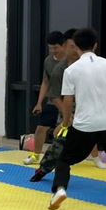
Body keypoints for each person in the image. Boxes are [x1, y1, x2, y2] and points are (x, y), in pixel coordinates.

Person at [48, 28, 106, 210]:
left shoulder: (71, 70)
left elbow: (67, 101)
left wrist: (65, 123)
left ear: (76, 47)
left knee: (64, 159)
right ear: (95, 45)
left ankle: (60, 189)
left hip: (85, 125)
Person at [29, 28, 106, 182]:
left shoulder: (94, 65)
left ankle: (100, 160)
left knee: (100, 136)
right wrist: (67, 116)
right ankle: (43, 169)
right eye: (71, 46)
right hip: (68, 111)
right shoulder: (60, 69)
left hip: (90, 110)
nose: (75, 49)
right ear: (66, 46)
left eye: (76, 46)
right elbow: (55, 95)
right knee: (59, 142)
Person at [24, 31, 66, 165]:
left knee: (76, 131)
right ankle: (36, 155)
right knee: (41, 129)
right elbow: (45, 82)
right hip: (53, 100)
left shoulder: (71, 61)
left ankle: (95, 158)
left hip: (69, 101)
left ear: (63, 45)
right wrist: (39, 103)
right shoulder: (48, 61)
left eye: (55, 48)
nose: (53, 51)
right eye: (50, 48)